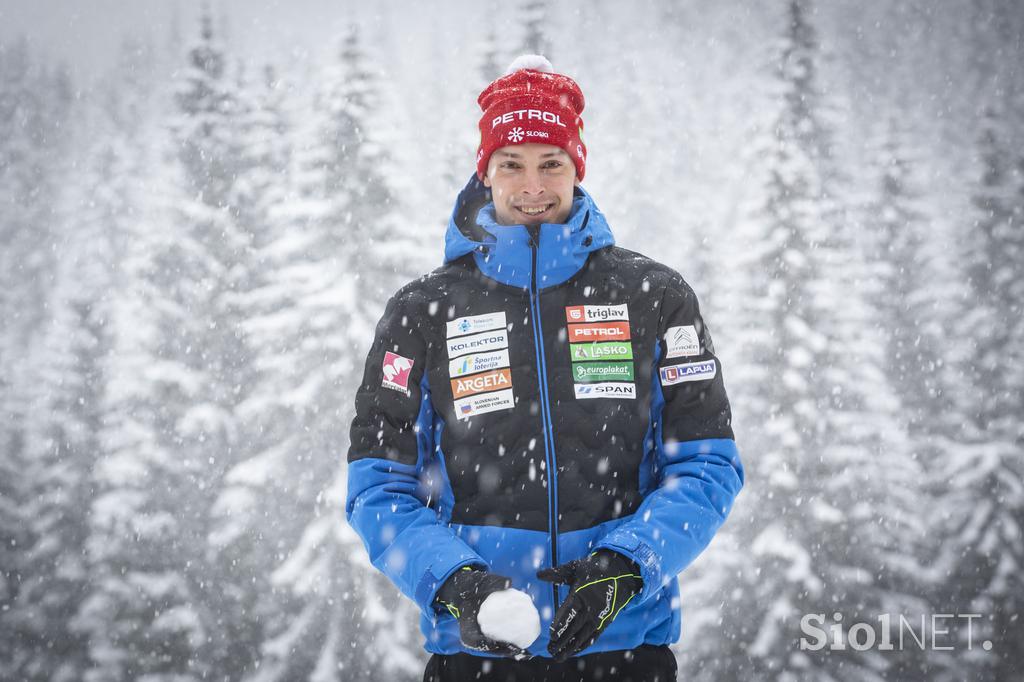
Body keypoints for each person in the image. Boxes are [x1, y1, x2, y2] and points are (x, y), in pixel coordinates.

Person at [346, 55, 744, 682]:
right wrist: (459, 585)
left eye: (551, 163)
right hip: (475, 660)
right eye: (512, 164)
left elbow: (707, 464)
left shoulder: (654, 297)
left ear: (577, 167)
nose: (533, 185)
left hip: (627, 652)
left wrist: (627, 565)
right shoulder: (421, 313)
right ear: (486, 171)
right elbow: (377, 488)